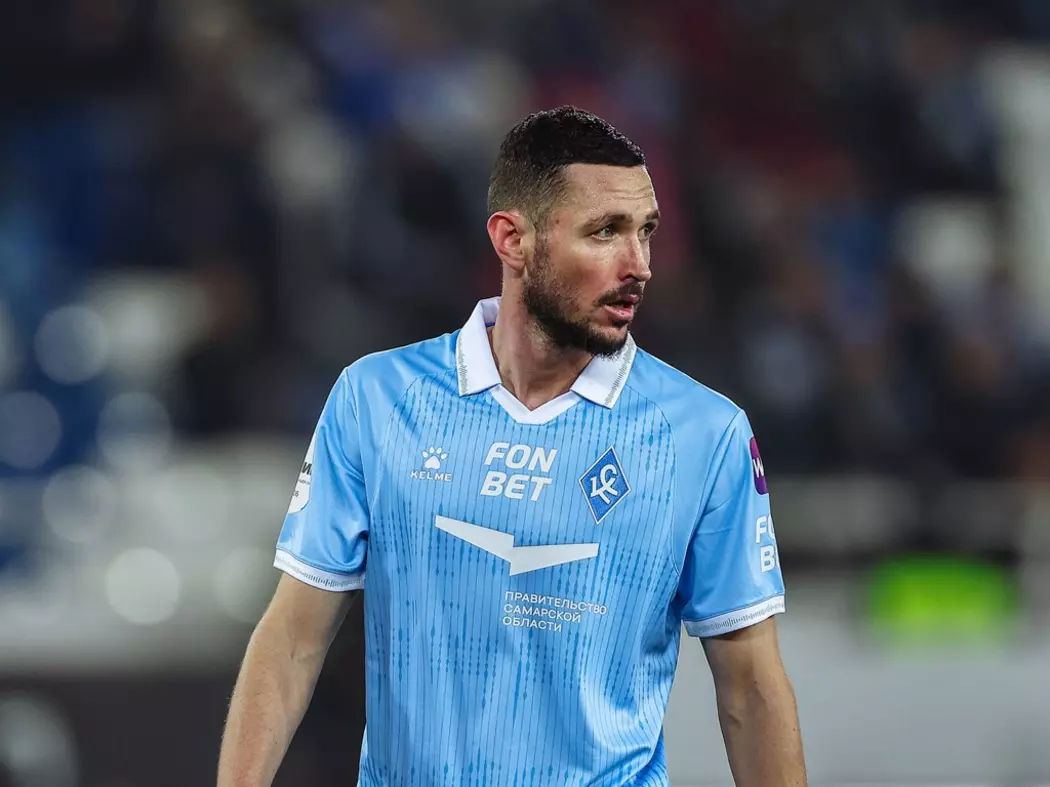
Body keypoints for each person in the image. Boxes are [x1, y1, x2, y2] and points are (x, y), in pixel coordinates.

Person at [217, 106, 807, 787]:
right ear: (512, 240)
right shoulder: (376, 400)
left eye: (645, 231)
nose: (639, 265)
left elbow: (750, 689)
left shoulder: (704, 433)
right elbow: (293, 639)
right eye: (605, 232)